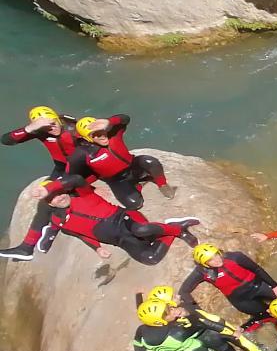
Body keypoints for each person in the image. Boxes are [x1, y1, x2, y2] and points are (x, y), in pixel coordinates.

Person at [0, 106, 92, 261]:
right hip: (60, 167)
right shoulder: (40, 131)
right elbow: (6, 140)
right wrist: (30, 128)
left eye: (53, 124)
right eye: (46, 127)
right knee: (45, 197)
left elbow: (97, 144)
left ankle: (34, 242)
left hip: (81, 168)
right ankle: (28, 247)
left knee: (50, 200)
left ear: (57, 119)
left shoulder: (72, 128)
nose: (51, 129)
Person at [33, 182, 199, 265]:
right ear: (48, 204)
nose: (59, 197)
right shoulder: (58, 221)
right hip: (119, 239)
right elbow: (81, 234)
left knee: (141, 230)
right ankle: (169, 231)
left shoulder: (82, 195)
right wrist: (97, 248)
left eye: (59, 193)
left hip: (124, 219)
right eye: (52, 198)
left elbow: (75, 180)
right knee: (150, 258)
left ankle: (178, 229)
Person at [45, 114, 175, 211]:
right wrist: (88, 189)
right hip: (117, 180)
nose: (101, 136)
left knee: (150, 161)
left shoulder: (114, 133)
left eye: (101, 132)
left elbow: (125, 118)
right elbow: (70, 175)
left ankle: (162, 185)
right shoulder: (82, 153)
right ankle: (138, 185)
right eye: (94, 135)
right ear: (87, 139)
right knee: (135, 204)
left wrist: (109, 122)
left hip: (133, 166)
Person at [145, 285, 265, 351]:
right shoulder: (185, 309)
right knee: (238, 340)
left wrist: (138, 297)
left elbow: (147, 316)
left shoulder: (170, 319)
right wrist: (231, 331)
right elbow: (207, 321)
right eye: (173, 297)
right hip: (215, 325)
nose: (177, 295)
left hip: (204, 336)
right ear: (168, 304)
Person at [180, 244, 277, 321]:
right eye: (210, 260)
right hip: (240, 299)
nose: (217, 260)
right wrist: (197, 310)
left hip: (258, 285)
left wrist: (275, 285)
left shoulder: (235, 257)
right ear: (204, 264)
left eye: (216, 255)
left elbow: (257, 269)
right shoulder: (202, 272)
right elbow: (184, 291)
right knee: (265, 315)